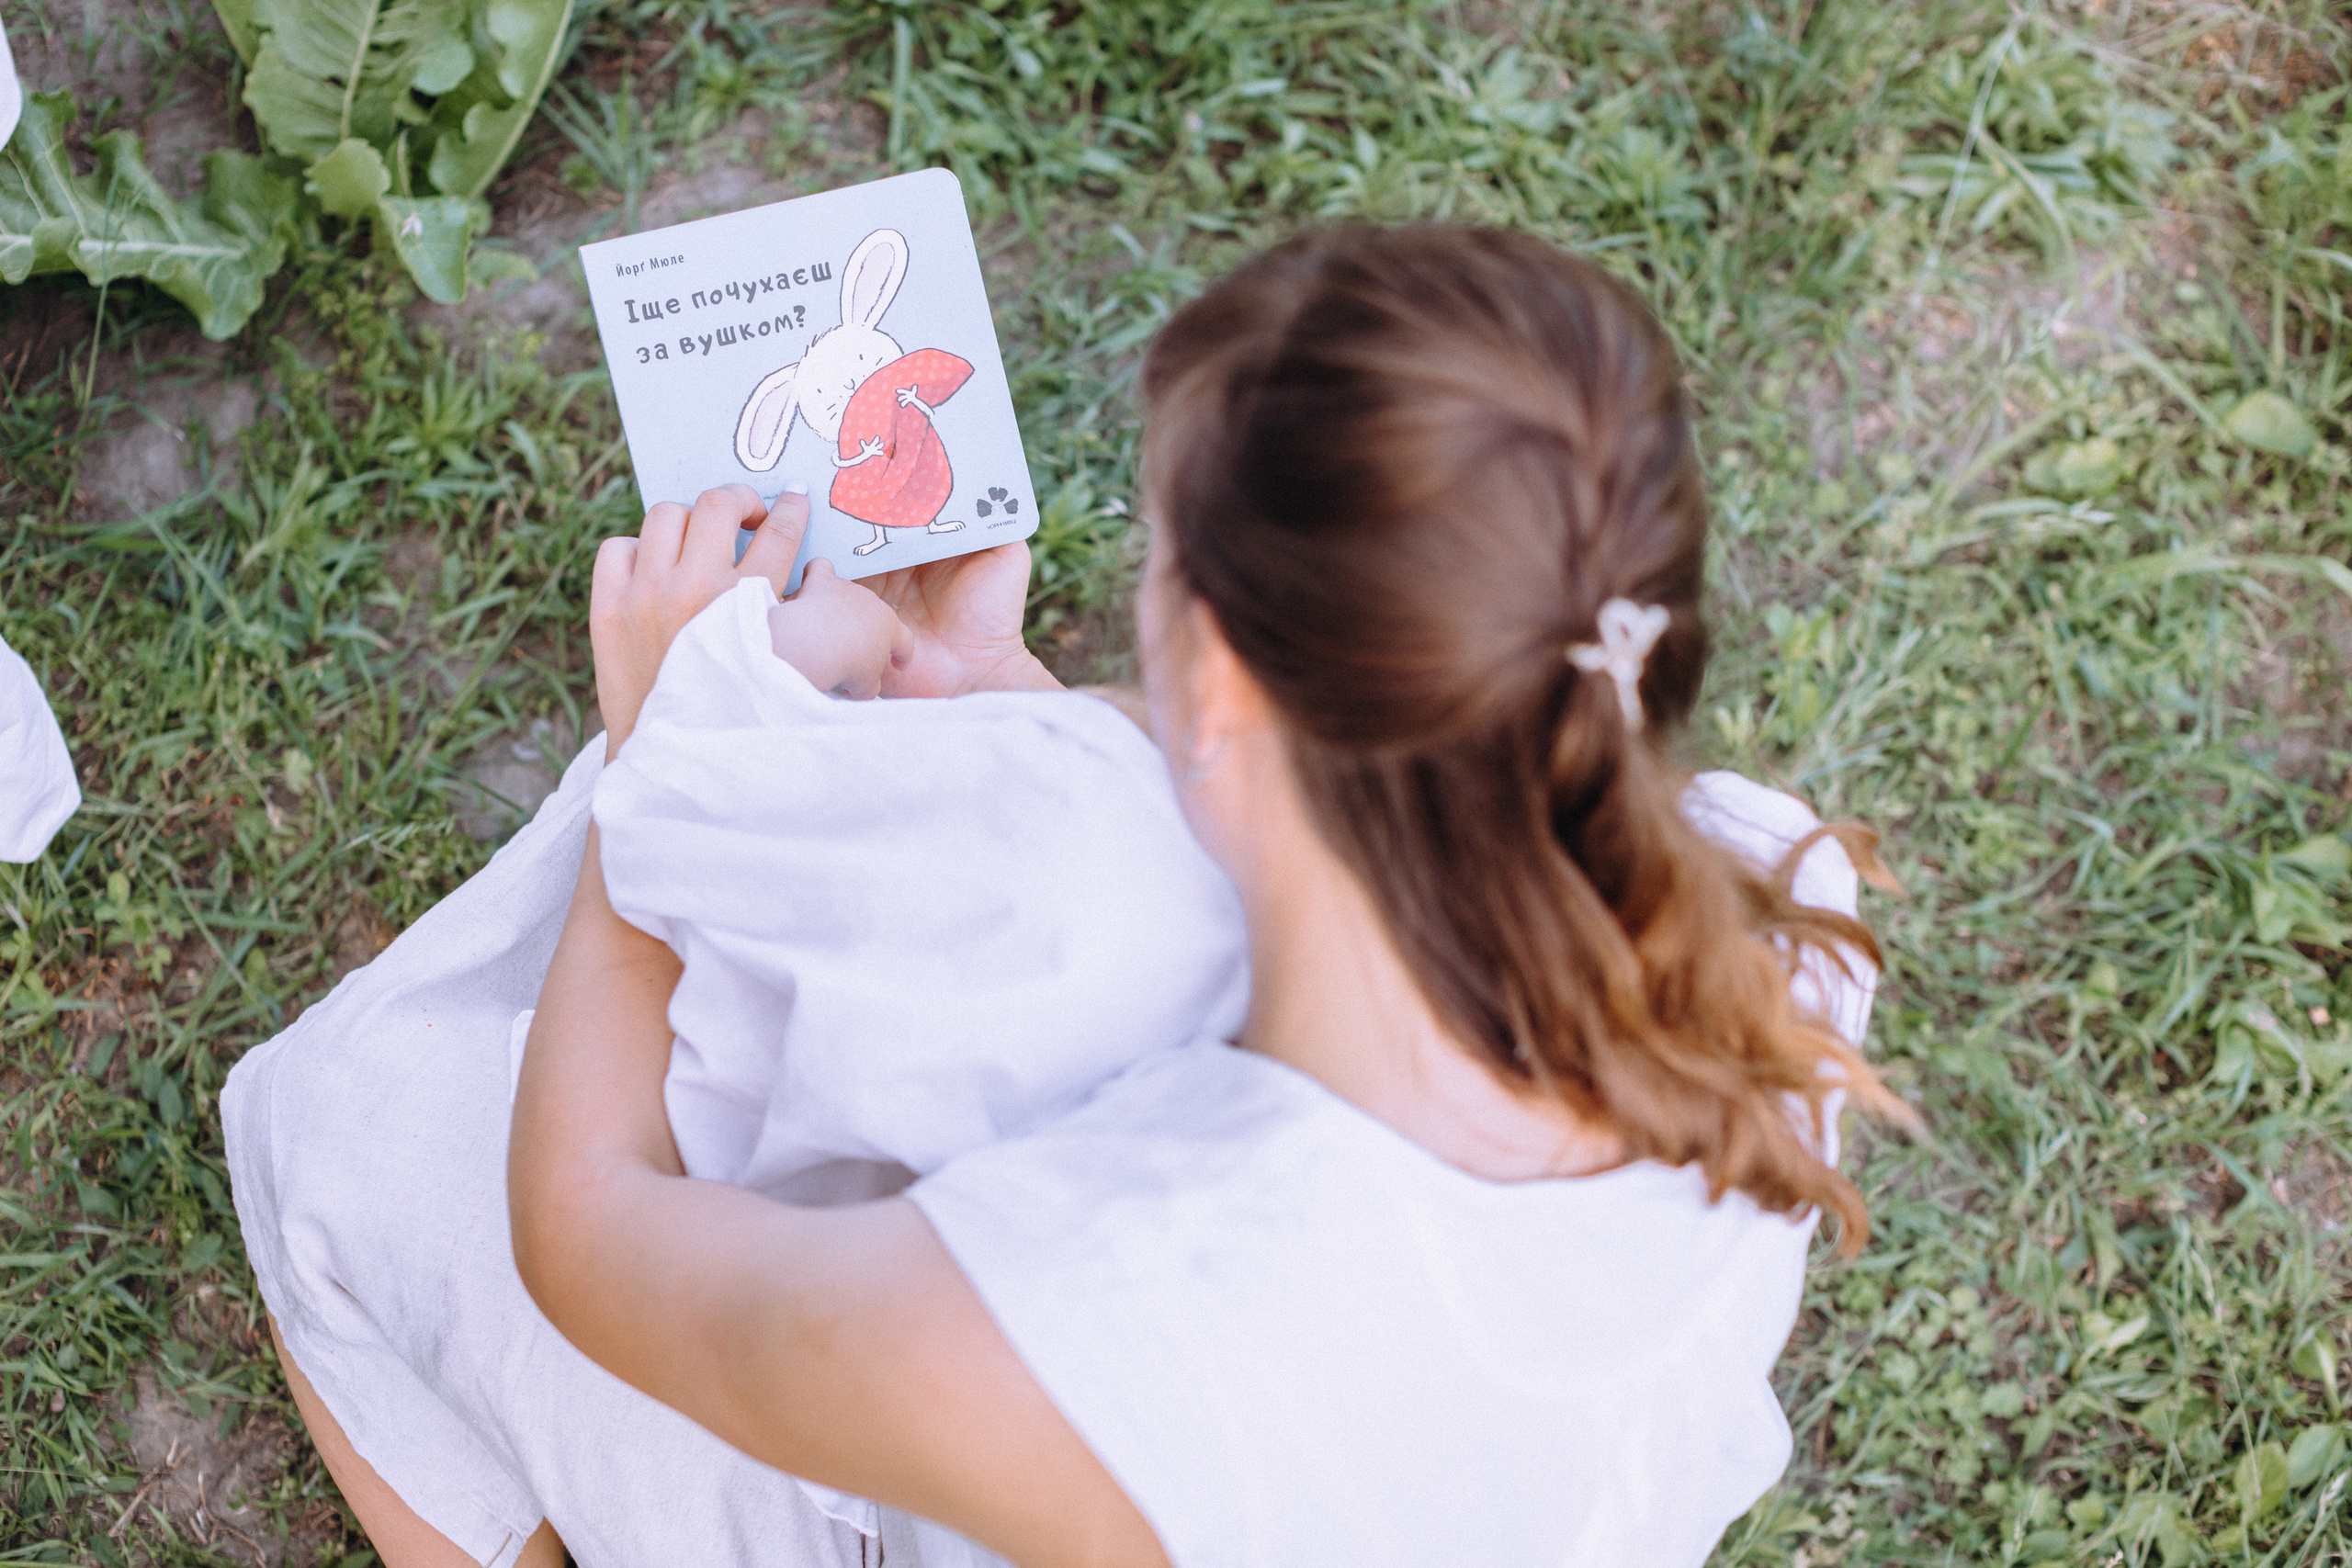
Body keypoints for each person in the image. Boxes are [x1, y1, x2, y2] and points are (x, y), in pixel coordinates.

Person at [227, 223, 1901, 1568]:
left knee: (337, 1118)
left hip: (1035, 1443)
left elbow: (588, 1237)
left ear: (1225, 692)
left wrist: (659, 778)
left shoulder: (1108, 1327)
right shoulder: (1766, 891)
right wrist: (994, 682)